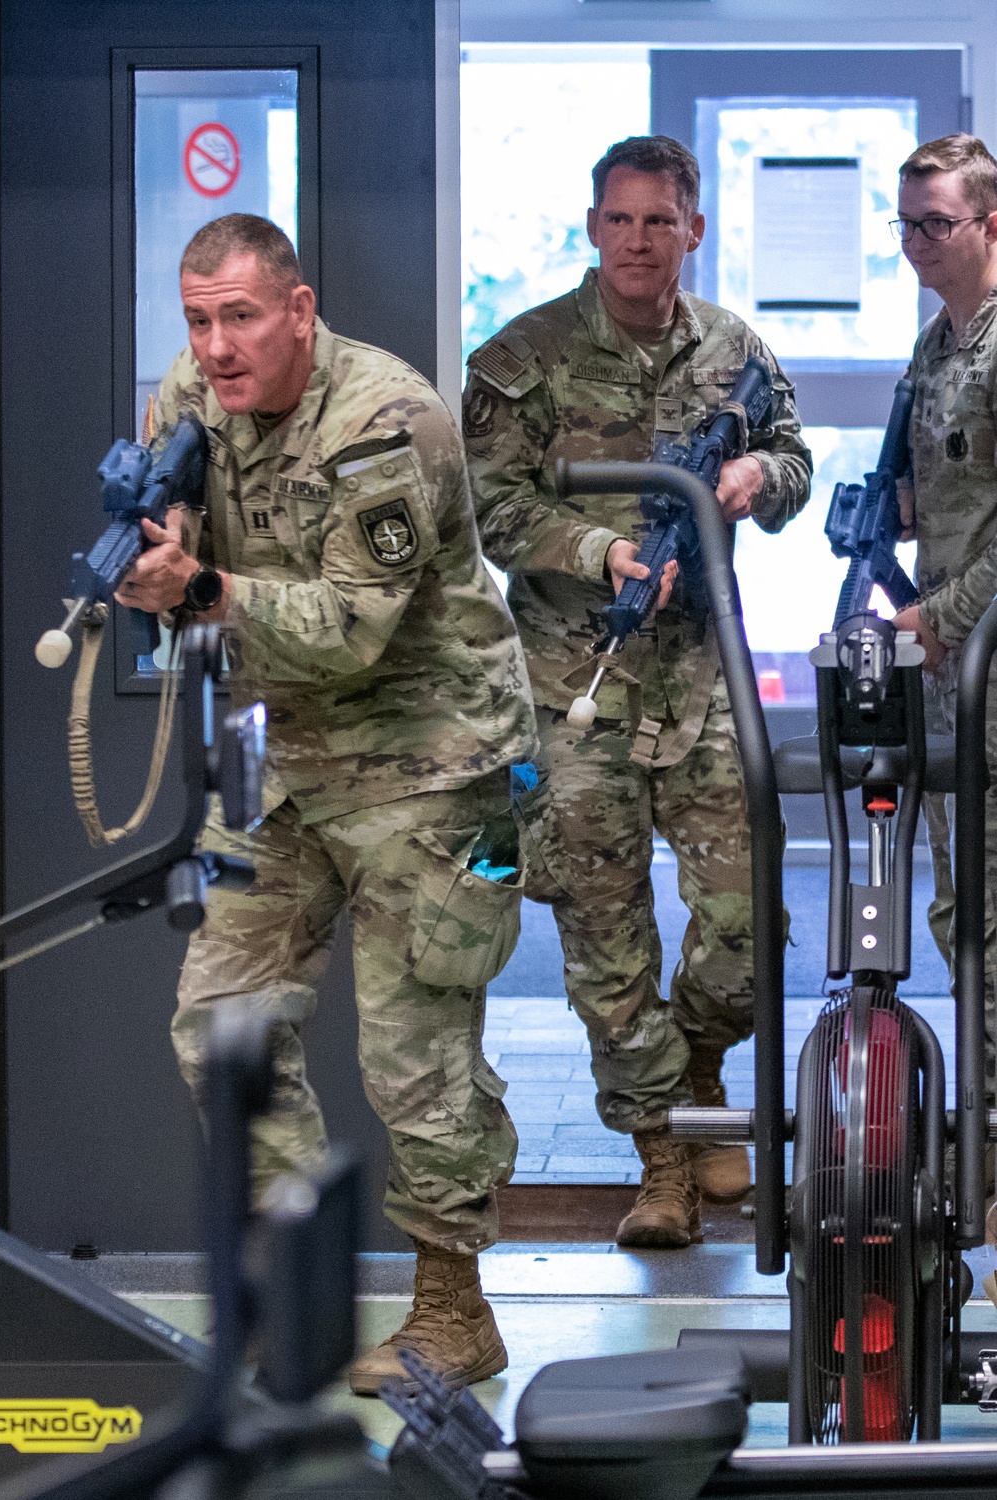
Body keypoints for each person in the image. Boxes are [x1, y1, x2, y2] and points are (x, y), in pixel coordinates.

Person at [116, 213, 538, 1393]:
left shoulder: (385, 422)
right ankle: (292, 1291)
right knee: (222, 1024)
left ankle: (454, 1312)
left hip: (435, 762)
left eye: (240, 316)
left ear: (299, 311)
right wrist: (157, 563)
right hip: (280, 759)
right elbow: (172, 550)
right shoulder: (188, 399)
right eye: (198, 320)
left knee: (415, 1051)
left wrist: (197, 586)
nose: (215, 346)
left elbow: (351, 633)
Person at [463, 136, 811, 1248]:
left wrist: (761, 477)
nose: (637, 241)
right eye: (618, 220)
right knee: (605, 944)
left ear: (692, 230)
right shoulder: (522, 358)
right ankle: (662, 1158)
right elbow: (491, 510)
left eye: (659, 221)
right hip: (579, 688)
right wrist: (604, 548)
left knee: (747, 925)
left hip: (704, 686)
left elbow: (798, 457)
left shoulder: (733, 350)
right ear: (592, 226)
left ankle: (698, 1073)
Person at [889, 134, 997, 1125]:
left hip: (983, 665)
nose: (918, 243)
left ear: (990, 224)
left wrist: (949, 615)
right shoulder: (937, 347)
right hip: (952, 683)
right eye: (906, 224)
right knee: (963, 920)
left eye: (937, 224)